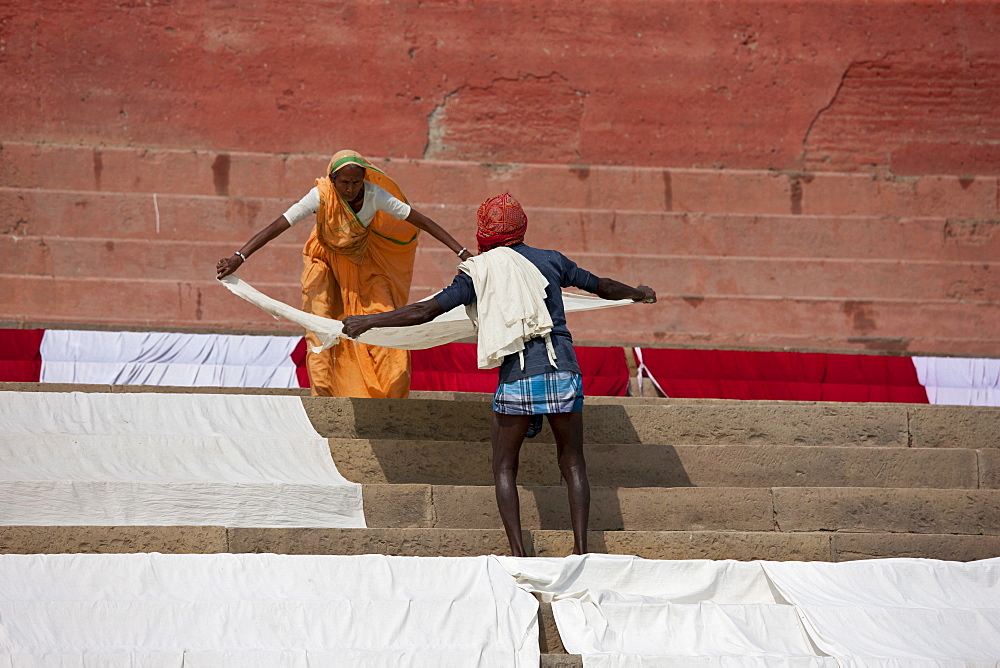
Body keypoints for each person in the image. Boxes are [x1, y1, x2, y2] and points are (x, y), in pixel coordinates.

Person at [341, 192, 656, 556]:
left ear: (483, 233)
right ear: (521, 228)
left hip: (518, 378)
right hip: (563, 371)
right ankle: (582, 551)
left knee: (505, 467)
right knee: (573, 462)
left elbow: (426, 311)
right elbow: (601, 286)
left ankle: (520, 554)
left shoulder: (478, 271)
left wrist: (369, 321)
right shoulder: (551, 260)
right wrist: (640, 293)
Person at [216, 150, 472, 398]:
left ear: (364, 180)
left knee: (386, 318)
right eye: (344, 183)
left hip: (362, 263)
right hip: (322, 262)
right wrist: (239, 257)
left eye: (356, 183)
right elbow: (279, 224)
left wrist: (461, 252)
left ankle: (389, 398)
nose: (350, 189)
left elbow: (422, 221)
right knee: (319, 323)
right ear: (332, 180)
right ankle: (325, 399)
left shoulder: (374, 195)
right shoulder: (321, 195)